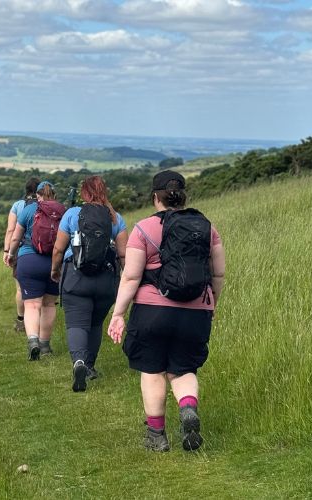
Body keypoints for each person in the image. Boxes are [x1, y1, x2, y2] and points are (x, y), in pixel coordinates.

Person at [107, 170, 226, 452]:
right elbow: (217, 274)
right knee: (184, 368)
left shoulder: (144, 228)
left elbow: (132, 277)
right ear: (184, 197)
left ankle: (156, 436)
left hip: (151, 311)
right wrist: (211, 305)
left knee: (152, 370)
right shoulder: (206, 228)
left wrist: (118, 314)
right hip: (196, 311)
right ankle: (187, 408)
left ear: (155, 197)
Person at [50, 176, 130, 392]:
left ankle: (79, 363)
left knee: (77, 323)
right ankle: (91, 367)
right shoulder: (116, 219)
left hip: (76, 277)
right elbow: (123, 255)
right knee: (95, 324)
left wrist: (55, 270)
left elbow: (58, 249)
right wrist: (123, 281)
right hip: (105, 279)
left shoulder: (72, 214)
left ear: (84, 194)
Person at [7, 180, 64, 360]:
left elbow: (16, 238)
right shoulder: (63, 210)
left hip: (29, 260)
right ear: (54, 194)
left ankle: (32, 341)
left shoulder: (28, 210)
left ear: (37, 195)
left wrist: (10, 254)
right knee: (48, 304)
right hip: (54, 262)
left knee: (32, 304)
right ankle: (45, 345)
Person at [5, 177, 40, 332]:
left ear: (26, 190)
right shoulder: (46, 205)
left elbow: (11, 230)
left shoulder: (18, 205)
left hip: (22, 251)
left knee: (20, 289)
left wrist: (7, 251)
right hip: (44, 250)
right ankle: (38, 321)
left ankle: (21, 321)